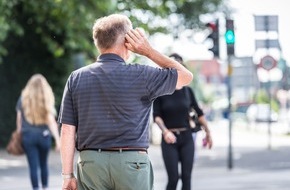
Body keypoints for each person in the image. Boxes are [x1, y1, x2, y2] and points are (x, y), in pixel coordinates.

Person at [57, 14, 193, 190]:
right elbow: (186, 77)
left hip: (91, 163)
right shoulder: (143, 75)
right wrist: (148, 51)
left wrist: (67, 176)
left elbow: (67, 130)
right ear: (128, 40)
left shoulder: (76, 78)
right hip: (132, 163)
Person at [153, 53, 213, 190]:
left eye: (178, 66)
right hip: (169, 139)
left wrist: (208, 132)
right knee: (173, 178)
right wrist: (165, 131)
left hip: (187, 138)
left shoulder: (187, 91)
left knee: (187, 177)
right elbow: (156, 116)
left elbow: (199, 112)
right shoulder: (160, 91)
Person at [16, 74, 61, 190]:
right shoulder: (46, 99)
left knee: (33, 166)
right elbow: (51, 121)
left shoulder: (23, 99)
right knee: (43, 164)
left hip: (28, 136)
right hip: (43, 136)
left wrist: (19, 133)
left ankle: (36, 188)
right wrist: (57, 139)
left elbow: (19, 119)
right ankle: (45, 187)